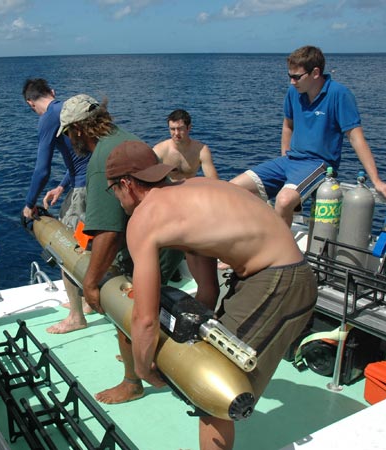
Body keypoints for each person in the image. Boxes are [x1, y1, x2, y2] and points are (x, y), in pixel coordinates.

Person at [104, 140, 318, 450]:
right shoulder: (192, 193)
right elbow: (208, 291)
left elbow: (145, 317)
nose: (117, 199)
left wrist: (142, 367)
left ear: (126, 184)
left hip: (280, 281)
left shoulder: (145, 218)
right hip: (273, 274)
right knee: (209, 361)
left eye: (114, 191)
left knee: (213, 388)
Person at [57, 94, 184, 403]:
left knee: (124, 308)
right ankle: (141, 353)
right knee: (143, 307)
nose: (70, 140)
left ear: (78, 130)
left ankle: (133, 381)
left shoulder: (101, 160)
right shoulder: (124, 138)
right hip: (168, 236)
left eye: (69, 133)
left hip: (148, 244)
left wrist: (89, 283)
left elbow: (108, 233)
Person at [231, 45, 386, 226]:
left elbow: (356, 138)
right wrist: (285, 155)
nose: (292, 82)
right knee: (231, 188)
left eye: (296, 77)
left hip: (318, 164)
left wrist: (376, 180)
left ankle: (282, 251)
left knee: (284, 201)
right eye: (289, 76)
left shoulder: (339, 94)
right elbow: (288, 126)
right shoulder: (294, 92)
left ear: (315, 73)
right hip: (290, 160)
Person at [22, 79, 92, 333]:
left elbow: (42, 170)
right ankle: (87, 302)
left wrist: (29, 204)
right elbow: (82, 155)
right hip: (95, 182)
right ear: (52, 92)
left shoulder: (48, 118)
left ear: (30, 103)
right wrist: (62, 186)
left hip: (84, 190)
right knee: (88, 244)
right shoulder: (70, 109)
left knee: (67, 249)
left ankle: (76, 317)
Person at [153, 109, 218, 180]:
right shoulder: (159, 151)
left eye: (180, 129)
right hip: (169, 189)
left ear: (189, 127)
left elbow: (213, 180)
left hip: (190, 189)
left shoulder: (201, 150)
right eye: (172, 129)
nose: (176, 133)